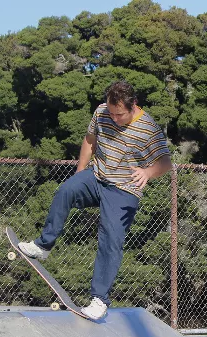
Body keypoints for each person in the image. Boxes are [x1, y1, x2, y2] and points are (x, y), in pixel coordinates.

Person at [19, 80, 172, 320]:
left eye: (119, 115)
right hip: (97, 175)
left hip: (124, 189)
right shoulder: (101, 112)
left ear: (133, 105)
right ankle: (43, 246)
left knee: (110, 236)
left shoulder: (148, 128)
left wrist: (148, 172)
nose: (114, 118)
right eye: (111, 113)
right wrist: (80, 173)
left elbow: (165, 163)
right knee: (65, 191)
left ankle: (99, 300)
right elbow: (90, 140)